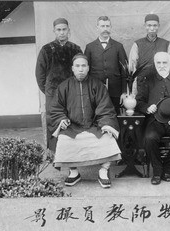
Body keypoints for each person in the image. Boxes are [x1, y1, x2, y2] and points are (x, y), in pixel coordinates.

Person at [50, 54, 122, 189]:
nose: (81, 69)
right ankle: (73, 171)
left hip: (94, 125)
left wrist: (105, 124)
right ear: (72, 68)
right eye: (77, 66)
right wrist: (62, 120)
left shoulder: (97, 85)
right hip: (73, 127)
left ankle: (103, 171)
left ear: (88, 68)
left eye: (83, 66)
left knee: (108, 137)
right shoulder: (63, 87)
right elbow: (56, 109)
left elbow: (105, 107)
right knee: (65, 140)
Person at [135, 52, 170, 185]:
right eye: (158, 63)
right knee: (150, 138)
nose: (162, 66)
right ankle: (157, 170)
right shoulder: (148, 82)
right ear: (155, 64)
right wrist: (147, 108)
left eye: (164, 63)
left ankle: (167, 167)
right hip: (155, 121)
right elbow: (139, 101)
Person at [35, 18, 82, 152]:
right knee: (53, 122)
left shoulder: (75, 49)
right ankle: (53, 153)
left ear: (68, 30)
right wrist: (49, 90)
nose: (62, 33)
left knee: (72, 121)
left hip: (72, 94)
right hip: (53, 94)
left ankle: (72, 152)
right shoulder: (46, 49)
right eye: (58, 30)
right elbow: (40, 75)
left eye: (64, 29)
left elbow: (80, 70)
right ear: (54, 31)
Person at [84, 16, 128, 114]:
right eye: (102, 26)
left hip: (116, 92)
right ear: (97, 28)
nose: (105, 29)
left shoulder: (118, 46)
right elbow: (86, 71)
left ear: (111, 27)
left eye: (107, 26)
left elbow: (125, 71)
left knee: (116, 116)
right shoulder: (90, 47)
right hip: (96, 91)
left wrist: (124, 92)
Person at [128, 13, 170, 95]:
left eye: (155, 25)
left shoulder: (166, 44)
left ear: (158, 26)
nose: (152, 28)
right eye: (149, 25)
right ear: (145, 26)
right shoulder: (137, 44)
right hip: (142, 83)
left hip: (161, 84)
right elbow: (132, 69)